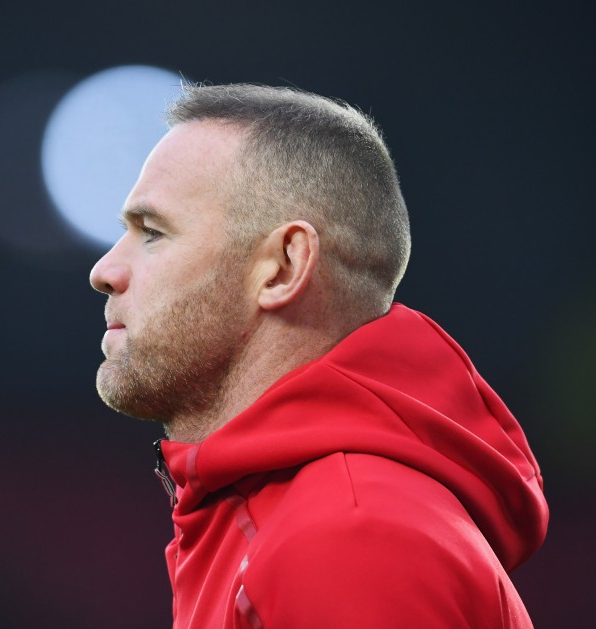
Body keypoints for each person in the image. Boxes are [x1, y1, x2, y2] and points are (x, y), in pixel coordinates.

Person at [89, 84, 548, 628]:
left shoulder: (349, 538)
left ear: (283, 267)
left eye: (153, 233)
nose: (104, 271)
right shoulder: (290, 518)